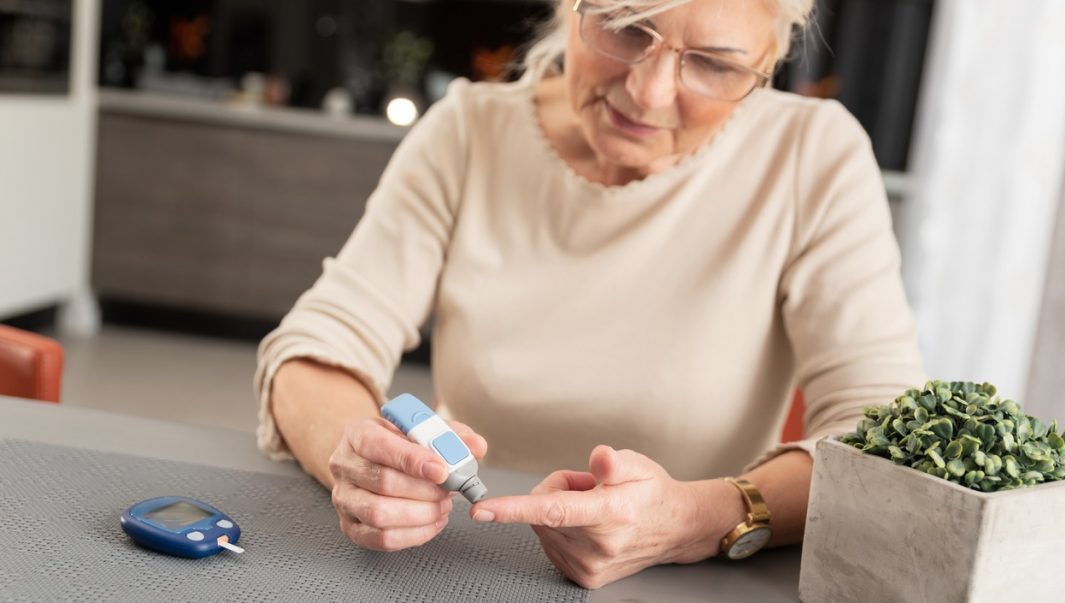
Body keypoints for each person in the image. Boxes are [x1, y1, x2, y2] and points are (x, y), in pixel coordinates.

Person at [254, 0, 926, 589]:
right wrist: (357, 455)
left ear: (768, 62)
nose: (650, 90)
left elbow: (883, 439)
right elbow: (316, 347)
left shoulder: (815, 157)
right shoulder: (469, 132)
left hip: (701, 581)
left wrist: (694, 520)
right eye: (627, 29)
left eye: (714, 65)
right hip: (459, 564)